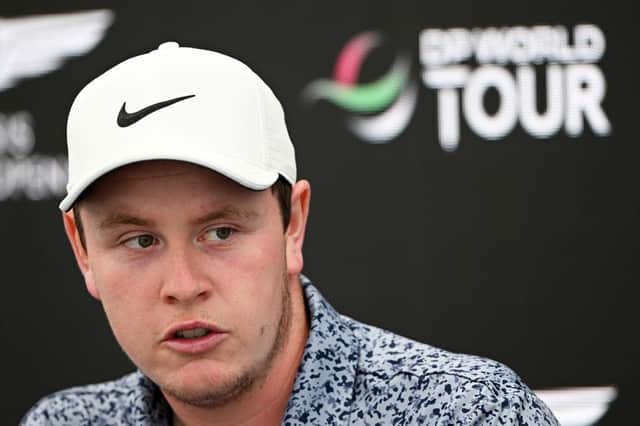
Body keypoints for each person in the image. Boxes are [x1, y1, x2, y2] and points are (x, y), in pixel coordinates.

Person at [22, 42, 558, 426]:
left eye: (221, 231)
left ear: (293, 225)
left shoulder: (470, 414)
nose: (183, 285)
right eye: (140, 241)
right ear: (82, 250)